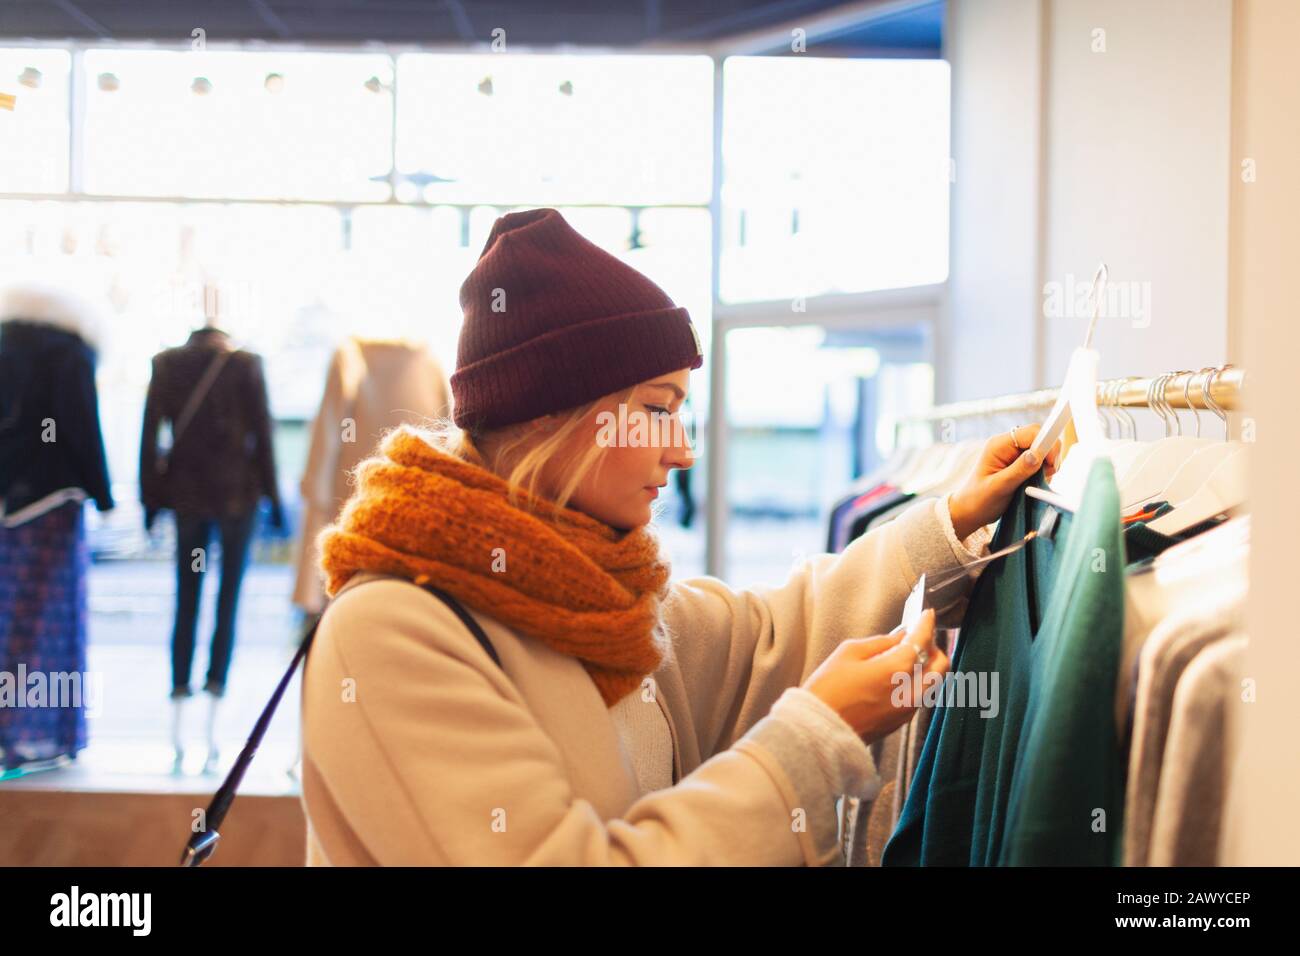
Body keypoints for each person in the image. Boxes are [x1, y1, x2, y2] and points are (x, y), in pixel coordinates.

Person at [299, 207, 1058, 866]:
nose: (683, 449)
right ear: (552, 415)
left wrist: (953, 519)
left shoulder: (603, 605)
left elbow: (772, 632)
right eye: (659, 409)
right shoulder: (393, 633)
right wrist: (815, 738)